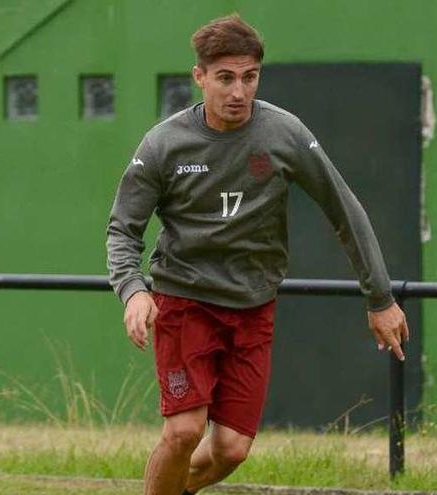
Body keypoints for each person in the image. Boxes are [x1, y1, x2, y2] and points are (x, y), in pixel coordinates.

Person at [106, 14, 409, 495]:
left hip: (252, 308)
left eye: (249, 77)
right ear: (200, 76)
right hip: (184, 303)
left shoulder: (284, 134)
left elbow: (345, 210)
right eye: (225, 78)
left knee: (231, 449)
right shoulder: (163, 145)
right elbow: (123, 230)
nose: (238, 92)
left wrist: (380, 298)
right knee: (184, 431)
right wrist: (133, 291)